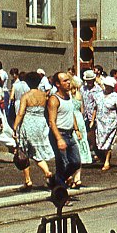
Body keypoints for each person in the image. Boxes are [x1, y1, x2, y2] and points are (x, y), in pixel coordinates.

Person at [13, 72, 55, 190]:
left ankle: (28, 180)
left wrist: (15, 127)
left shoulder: (26, 96)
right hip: (41, 122)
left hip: (28, 122)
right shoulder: (43, 95)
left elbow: (21, 113)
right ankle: (47, 172)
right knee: (37, 151)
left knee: (24, 152)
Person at [46, 71, 81, 202]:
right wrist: (59, 139)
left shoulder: (68, 96)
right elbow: (52, 122)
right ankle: (61, 196)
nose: (68, 83)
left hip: (70, 134)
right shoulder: (54, 100)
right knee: (62, 164)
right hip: (59, 134)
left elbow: (71, 113)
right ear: (57, 84)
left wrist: (76, 129)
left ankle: (57, 180)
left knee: (76, 162)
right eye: (65, 81)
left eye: (68, 80)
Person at [92, 76, 117, 171]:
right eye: (106, 85)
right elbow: (95, 108)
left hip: (110, 123)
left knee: (108, 141)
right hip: (100, 122)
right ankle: (103, 157)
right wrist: (92, 120)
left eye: (109, 86)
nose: (107, 87)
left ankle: (107, 161)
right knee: (99, 141)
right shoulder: (99, 95)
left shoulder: (116, 97)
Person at [70, 77, 92, 187]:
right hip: (80, 120)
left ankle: (70, 176)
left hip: (72, 121)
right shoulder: (79, 95)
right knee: (80, 148)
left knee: (71, 150)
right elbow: (82, 110)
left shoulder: (67, 96)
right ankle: (77, 178)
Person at [80, 69, 103, 158]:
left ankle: (98, 153)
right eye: (87, 80)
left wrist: (93, 119)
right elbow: (82, 101)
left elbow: (97, 105)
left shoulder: (98, 90)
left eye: (91, 80)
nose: (89, 82)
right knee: (87, 134)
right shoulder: (83, 89)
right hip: (85, 115)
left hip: (94, 116)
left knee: (93, 134)